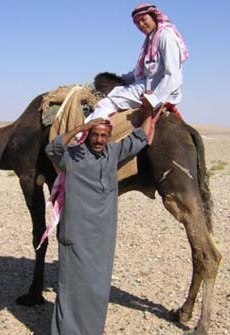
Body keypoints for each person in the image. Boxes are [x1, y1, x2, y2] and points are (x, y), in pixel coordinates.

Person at [45, 116, 151, 335]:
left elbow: (139, 139)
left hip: (102, 236)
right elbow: (52, 149)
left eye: (103, 135)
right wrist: (79, 129)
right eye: (95, 134)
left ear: (108, 137)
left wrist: (150, 110)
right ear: (88, 136)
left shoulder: (112, 153)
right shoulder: (72, 156)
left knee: (97, 287)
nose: (99, 140)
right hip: (75, 235)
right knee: (72, 287)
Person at [86, 3, 189, 122]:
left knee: (107, 102)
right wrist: (121, 79)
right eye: (137, 23)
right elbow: (142, 71)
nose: (141, 24)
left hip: (158, 92)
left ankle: (81, 137)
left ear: (154, 16)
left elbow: (173, 75)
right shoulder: (151, 39)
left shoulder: (165, 36)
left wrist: (153, 99)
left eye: (143, 19)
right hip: (148, 87)